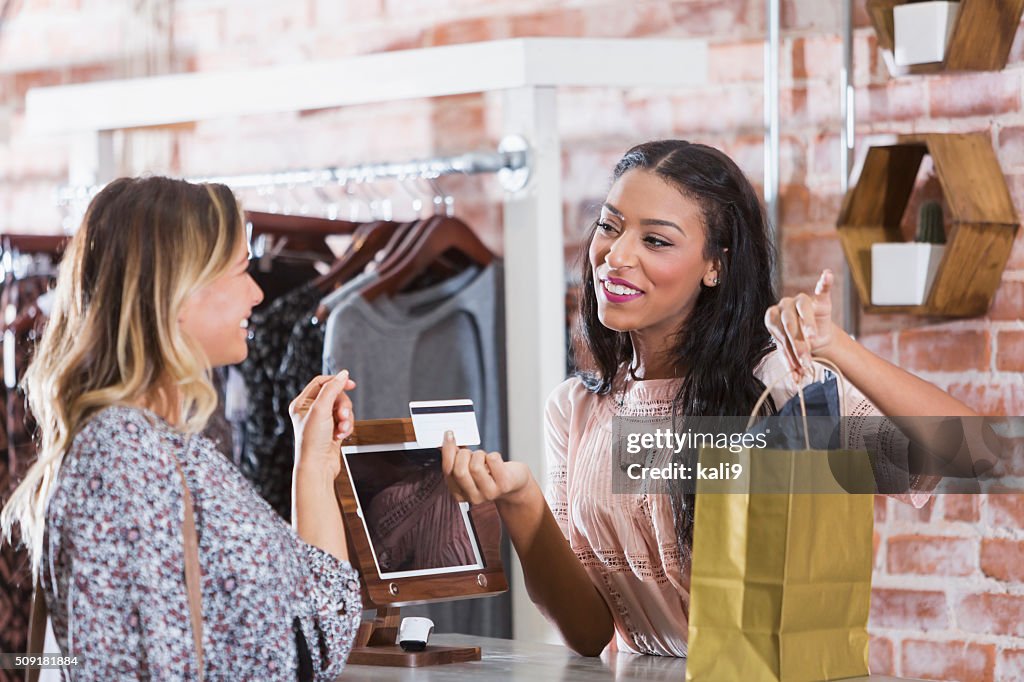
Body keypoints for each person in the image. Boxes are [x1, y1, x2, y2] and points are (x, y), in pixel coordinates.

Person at [440, 140, 980, 658]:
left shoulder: (777, 386)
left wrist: (837, 349)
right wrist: (520, 500)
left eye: (656, 240)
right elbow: (587, 631)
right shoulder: (575, 409)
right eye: (610, 226)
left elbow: (971, 455)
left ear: (714, 265)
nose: (616, 255)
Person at [0, 177, 362, 680]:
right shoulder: (128, 454)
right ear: (178, 290)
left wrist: (314, 463)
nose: (258, 292)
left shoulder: (152, 447)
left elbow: (314, 633)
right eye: (241, 270)